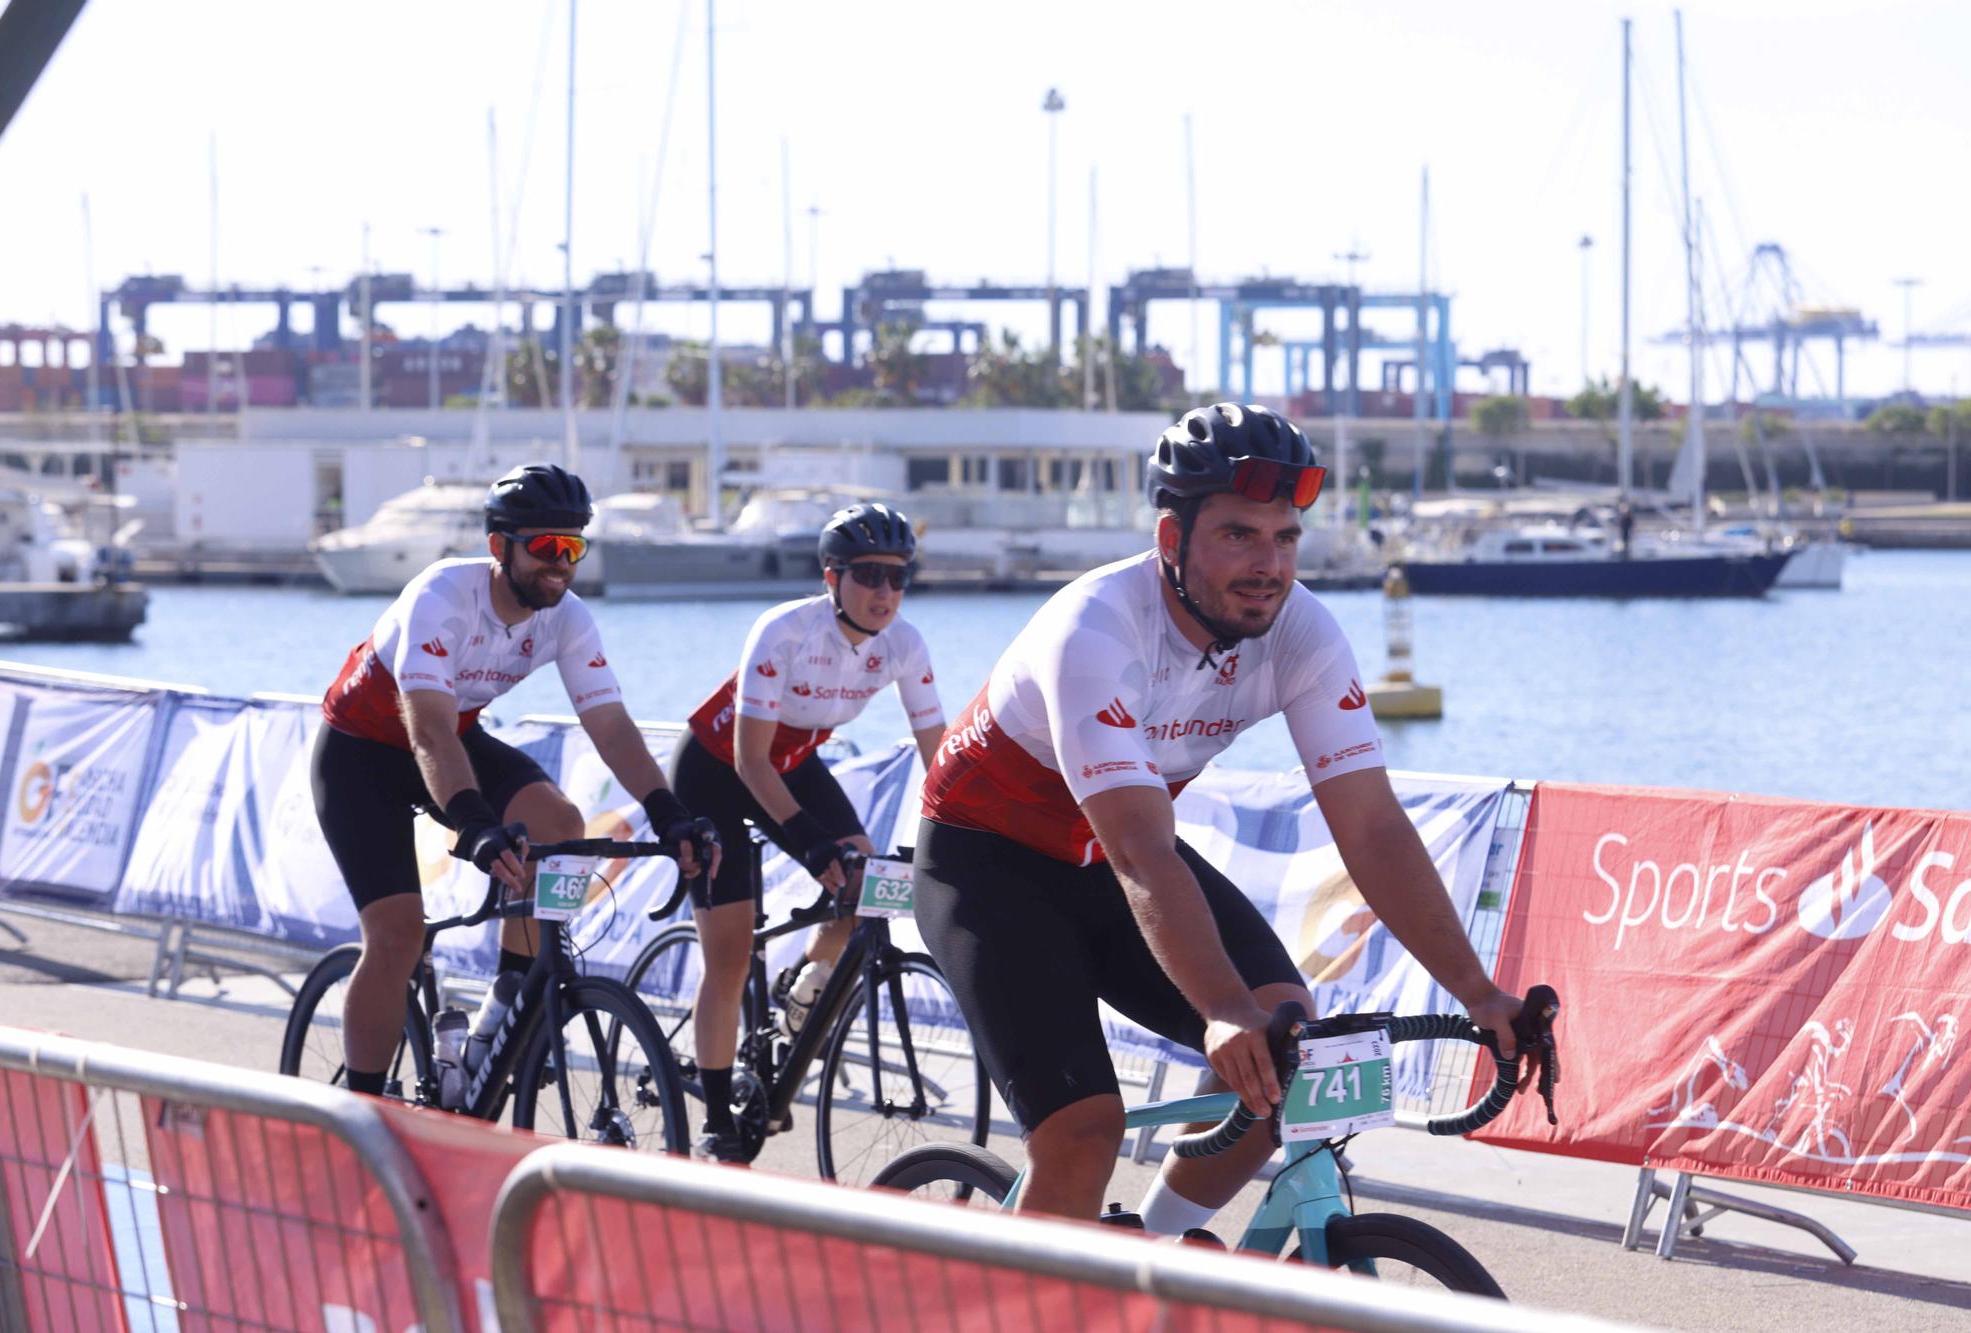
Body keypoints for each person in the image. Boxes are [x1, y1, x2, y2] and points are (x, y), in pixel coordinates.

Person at [915, 403, 1537, 1229]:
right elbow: (1141, 850)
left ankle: (1155, 1262)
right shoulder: (1093, 629)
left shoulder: (1301, 632)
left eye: (1286, 537)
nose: (1269, 564)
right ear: (1172, 541)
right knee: (1082, 1131)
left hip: (1110, 862)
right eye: (1240, 535)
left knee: (1289, 1058)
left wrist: (1478, 990)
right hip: (989, 863)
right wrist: (1220, 1010)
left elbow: (1374, 827)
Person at [312, 462, 711, 1098]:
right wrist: (474, 823)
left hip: (450, 738)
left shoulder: (567, 616)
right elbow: (429, 733)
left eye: (574, 547)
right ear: (499, 547)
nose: (562, 563)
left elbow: (609, 725)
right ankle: (359, 1108)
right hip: (365, 753)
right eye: (546, 547)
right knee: (396, 936)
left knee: (559, 826)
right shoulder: (441, 597)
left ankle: (505, 1011)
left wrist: (668, 810)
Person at [675, 502, 947, 1162]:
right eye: (869, 575)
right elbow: (748, 760)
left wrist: (966, 833)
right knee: (730, 951)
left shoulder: (904, 642)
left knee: (867, 885)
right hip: (717, 771)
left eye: (897, 576)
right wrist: (811, 843)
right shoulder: (785, 630)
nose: (885, 591)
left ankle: (797, 992)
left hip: (793, 763)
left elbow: (938, 750)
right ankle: (716, 1117)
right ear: (833, 578)